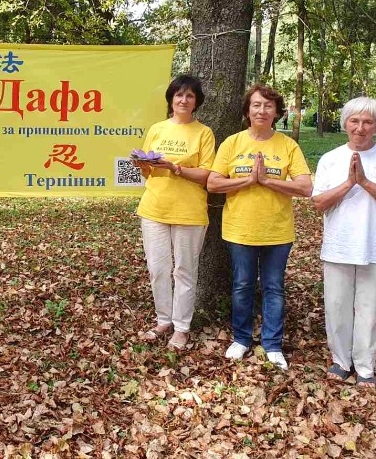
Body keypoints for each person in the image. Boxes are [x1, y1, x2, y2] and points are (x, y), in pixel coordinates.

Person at [207, 84, 312, 370]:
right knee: (242, 286)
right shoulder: (232, 143)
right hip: (239, 228)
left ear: (277, 112)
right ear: (247, 110)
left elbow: (305, 187)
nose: (262, 110)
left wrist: (268, 181)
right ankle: (241, 339)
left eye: (268, 106)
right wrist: (247, 181)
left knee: (274, 287)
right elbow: (213, 183)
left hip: (277, 231)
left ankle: (272, 344)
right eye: (256, 105)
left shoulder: (287, 145)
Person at [312, 97, 376, 387]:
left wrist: (366, 182)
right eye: (354, 121)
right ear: (345, 124)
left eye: (367, 122)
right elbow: (318, 203)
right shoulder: (330, 159)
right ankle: (341, 361)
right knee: (337, 305)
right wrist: (349, 183)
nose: (360, 127)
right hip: (339, 245)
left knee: (371, 308)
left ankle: (365, 366)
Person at [134, 75, 215, 350]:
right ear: (171, 99)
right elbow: (147, 169)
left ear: (196, 103)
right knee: (158, 269)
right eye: (179, 95)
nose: (183, 100)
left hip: (189, 212)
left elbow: (206, 174)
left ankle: (181, 328)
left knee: (184, 270)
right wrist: (142, 164)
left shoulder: (204, 133)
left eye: (189, 96)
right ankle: (163, 320)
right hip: (154, 208)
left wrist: (175, 168)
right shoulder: (157, 129)